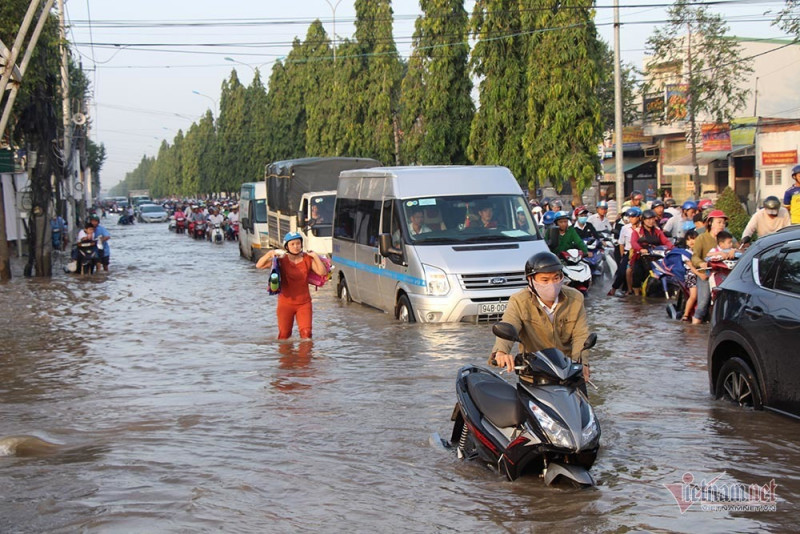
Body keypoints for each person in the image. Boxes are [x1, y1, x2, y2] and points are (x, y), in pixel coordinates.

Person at [490, 251, 591, 384]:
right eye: (545, 280)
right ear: (531, 281)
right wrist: (501, 352)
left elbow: (581, 336)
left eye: (556, 278)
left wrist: (581, 363)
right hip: (534, 374)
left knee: (582, 404)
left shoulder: (575, 298)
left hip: (568, 373)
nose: (552, 284)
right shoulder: (519, 301)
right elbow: (509, 325)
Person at [255, 232, 327, 339]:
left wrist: (315, 257)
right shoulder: (281, 260)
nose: (295, 246)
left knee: (307, 334)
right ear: (286, 246)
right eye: (292, 244)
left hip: (304, 303)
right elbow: (259, 265)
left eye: (298, 243)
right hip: (285, 304)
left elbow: (322, 272)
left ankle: (305, 356)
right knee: (284, 335)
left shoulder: (308, 259)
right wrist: (269, 254)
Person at [691, 210, 729, 324]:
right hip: (706, 274)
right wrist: (701, 263)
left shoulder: (727, 237)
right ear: (710, 223)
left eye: (723, 223)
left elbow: (737, 248)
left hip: (723, 274)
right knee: (703, 303)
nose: (722, 225)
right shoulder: (702, 238)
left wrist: (733, 251)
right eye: (719, 222)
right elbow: (695, 257)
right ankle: (694, 326)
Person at [630, 209, 673, 294]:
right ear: (643, 220)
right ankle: (636, 294)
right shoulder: (637, 231)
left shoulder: (657, 231)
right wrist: (640, 249)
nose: (651, 221)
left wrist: (673, 248)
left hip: (656, 256)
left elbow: (665, 241)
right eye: (648, 219)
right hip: (642, 256)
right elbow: (634, 243)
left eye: (652, 219)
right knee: (637, 272)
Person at [608, 207, 641, 296]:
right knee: (622, 271)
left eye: (633, 217)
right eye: (630, 217)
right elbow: (621, 243)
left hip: (641, 252)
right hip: (628, 252)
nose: (631, 219)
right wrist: (623, 256)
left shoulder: (642, 228)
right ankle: (614, 289)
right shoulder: (625, 228)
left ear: (639, 217)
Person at [680, 229, 701, 322]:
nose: (691, 241)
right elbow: (691, 267)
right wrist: (699, 274)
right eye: (688, 240)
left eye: (693, 239)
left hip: (701, 273)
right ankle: (686, 315)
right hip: (691, 275)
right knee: (693, 296)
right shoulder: (685, 253)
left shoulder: (701, 251)